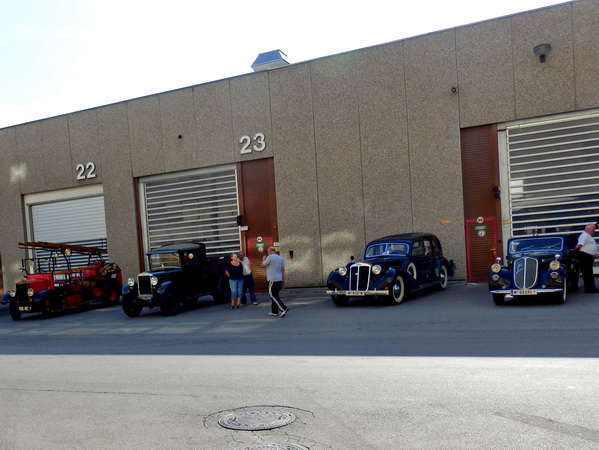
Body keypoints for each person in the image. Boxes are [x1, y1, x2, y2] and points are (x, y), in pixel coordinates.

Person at [262, 246, 288, 317]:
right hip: (279, 279)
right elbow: (283, 269)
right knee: (276, 295)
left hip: (272, 280)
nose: (267, 253)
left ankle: (283, 308)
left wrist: (263, 259)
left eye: (268, 251)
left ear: (271, 251)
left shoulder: (270, 257)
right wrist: (283, 280)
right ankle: (274, 312)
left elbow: (263, 264)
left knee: (272, 295)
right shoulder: (280, 258)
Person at [575, 223, 598, 293]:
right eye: (593, 229)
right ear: (589, 229)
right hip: (585, 256)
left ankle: (591, 288)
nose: (594, 231)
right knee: (587, 273)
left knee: (589, 273)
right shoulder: (584, 235)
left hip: (587, 256)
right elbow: (579, 245)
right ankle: (589, 289)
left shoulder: (587, 235)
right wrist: (575, 252)